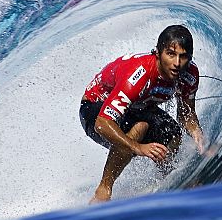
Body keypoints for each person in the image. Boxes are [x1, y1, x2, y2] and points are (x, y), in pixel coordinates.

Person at [79, 24, 206, 203]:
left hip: (136, 108)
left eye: (183, 56)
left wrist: (196, 132)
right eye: (170, 54)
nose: (177, 63)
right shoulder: (139, 76)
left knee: (173, 133)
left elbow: (186, 114)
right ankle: (104, 190)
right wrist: (137, 147)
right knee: (139, 128)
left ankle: (167, 183)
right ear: (158, 52)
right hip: (94, 108)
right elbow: (102, 123)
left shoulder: (189, 74)